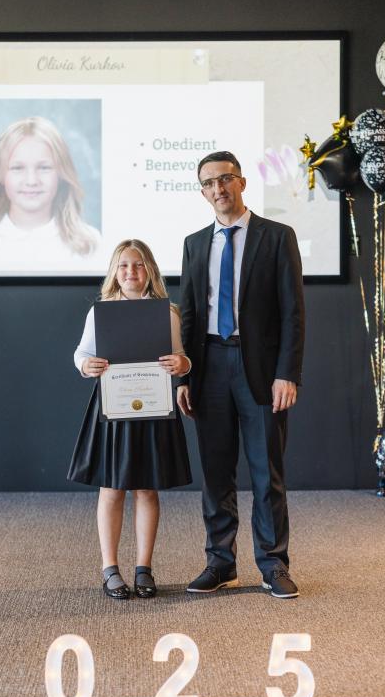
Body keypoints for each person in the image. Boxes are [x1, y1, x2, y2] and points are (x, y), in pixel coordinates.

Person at [177, 151, 305, 599]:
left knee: (266, 472)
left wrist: (287, 373)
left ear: (242, 182)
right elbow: (189, 316)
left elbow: (293, 313)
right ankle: (220, 562)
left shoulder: (277, 237)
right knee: (216, 473)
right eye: (209, 183)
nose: (218, 189)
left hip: (262, 373)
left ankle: (273, 564)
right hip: (208, 366)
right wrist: (183, 379)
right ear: (202, 192)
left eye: (225, 179)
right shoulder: (195, 244)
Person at [68, 239, 193, 599]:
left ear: (149, 270)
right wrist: (86, 365)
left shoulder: (167, 313)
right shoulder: (102, 312)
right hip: (114, 409)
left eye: (138, 264)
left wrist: (182, 364)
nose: (131, 271)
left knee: (147, 488)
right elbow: (81, 353)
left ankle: (143, 569)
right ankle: (110, 569)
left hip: (153, 408)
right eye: (123, 265)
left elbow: (182, 357)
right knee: (111, 489)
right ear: (114, 271)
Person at [0, 116, 101, 270]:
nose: (32, 181)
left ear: (61, 175)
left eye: (44, 168)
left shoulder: (90, 244)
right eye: (17, 168)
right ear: (0, 176)